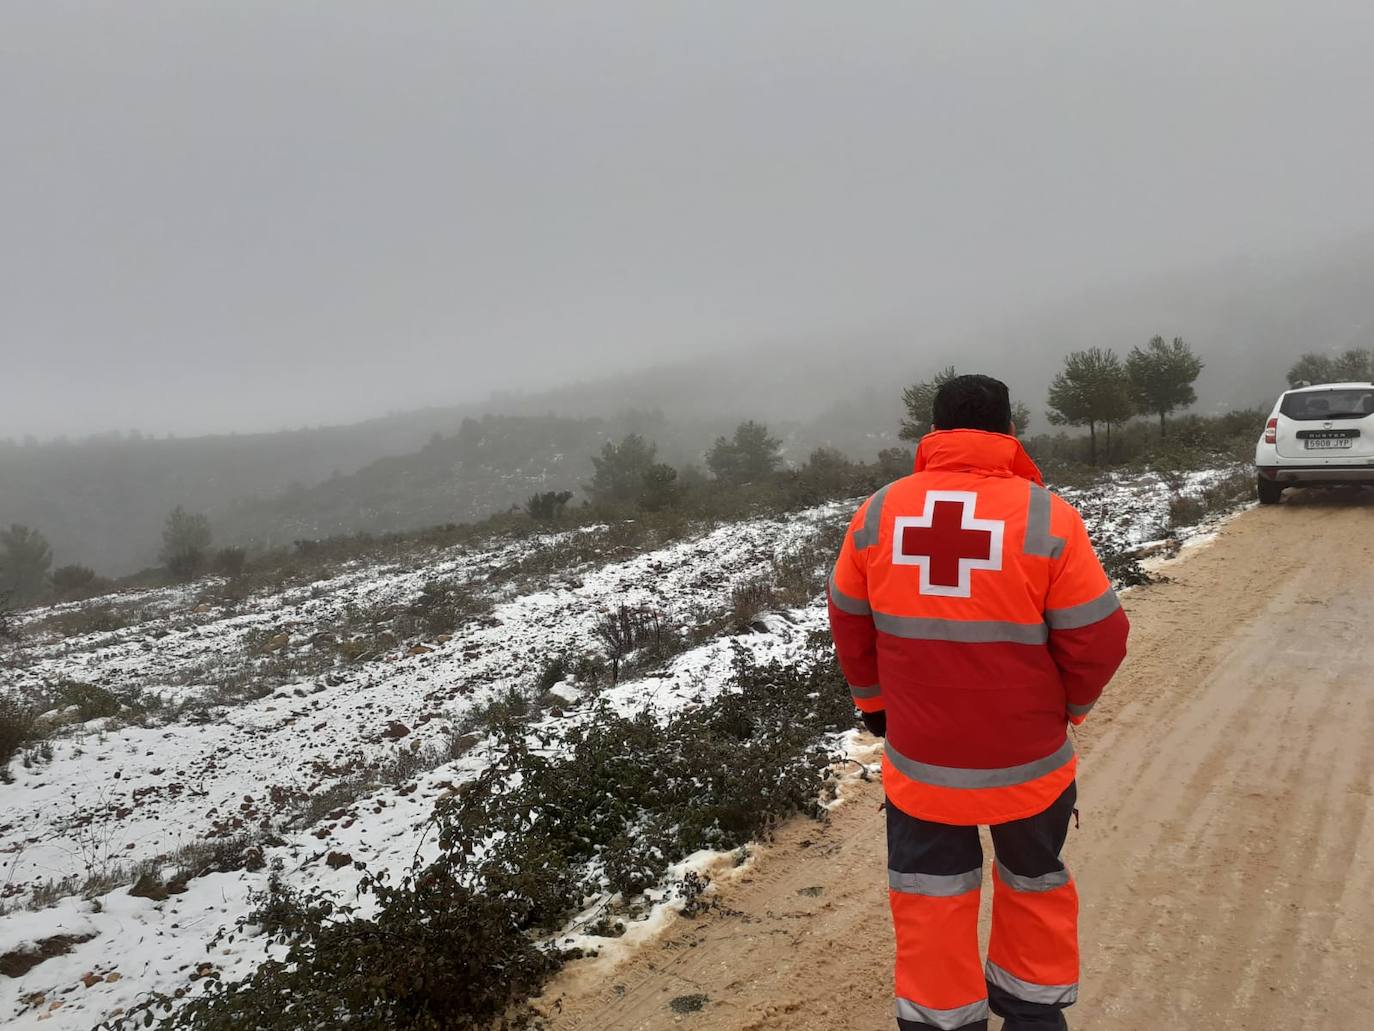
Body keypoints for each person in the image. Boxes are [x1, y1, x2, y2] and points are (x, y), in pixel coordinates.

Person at [827, 374, 1129, 1031]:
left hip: (923, 768)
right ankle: (1035, 1018)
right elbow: (1102, 636)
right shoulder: (1048, 515)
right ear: (1009, 431)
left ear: (931, 432)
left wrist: (874, 705)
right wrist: (1069, 708)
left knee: (932, 902)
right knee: (1033, 888)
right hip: (1031, 765)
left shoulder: (879, 511)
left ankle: (942, 1022)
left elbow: (849, 618)